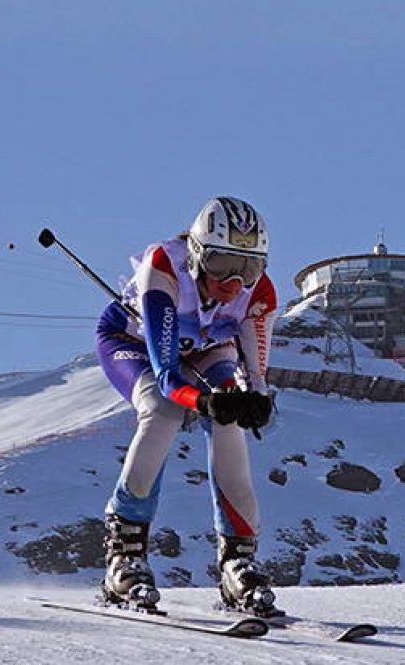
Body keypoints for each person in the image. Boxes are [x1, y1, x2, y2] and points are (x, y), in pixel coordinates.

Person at [94, 196, 279, 615]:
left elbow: (257, 375)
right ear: (196, 255)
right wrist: (201, 400)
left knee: (231, 418)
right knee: (163, 411)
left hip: (208, 348)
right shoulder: (164, 268)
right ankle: (125, 554)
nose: (234, 282)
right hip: (133, 344)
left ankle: (238, 558)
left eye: (248, 268)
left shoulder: (258, 293)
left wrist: (256, 400)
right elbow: (166, 376)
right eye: (220, 265)